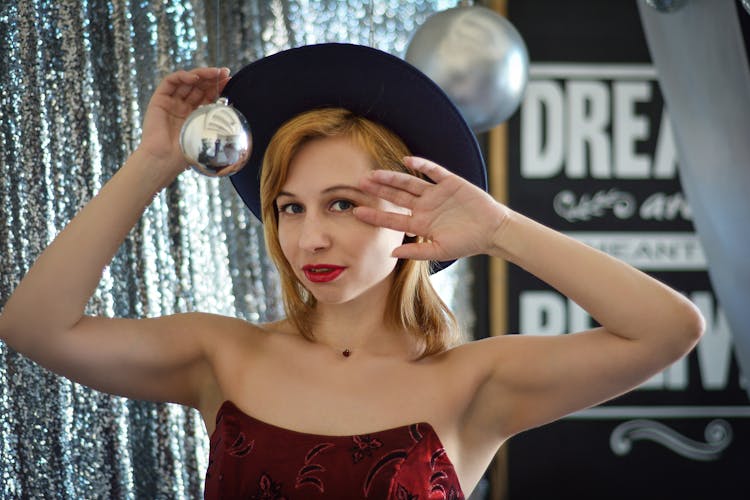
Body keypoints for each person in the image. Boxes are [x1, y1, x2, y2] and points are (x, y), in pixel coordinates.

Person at [0, 43, 703, 499]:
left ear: (410, 208)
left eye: (340, 203)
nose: (310, 237)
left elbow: (669, 330)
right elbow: (34, 326)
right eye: (289, 208)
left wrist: (498, 230)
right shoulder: (222, 355)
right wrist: (152, 163)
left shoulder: (473, 384)